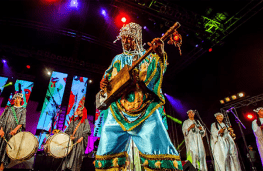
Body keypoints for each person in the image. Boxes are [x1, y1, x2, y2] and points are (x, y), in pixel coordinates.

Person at [95, 22, 182, 170]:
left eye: (129, 38)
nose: (125, 41)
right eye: (123, 38)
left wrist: (159, 53)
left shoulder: (147, 56)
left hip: (144, 108)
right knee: (107, 149)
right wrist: (104, 83)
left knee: (158, 148)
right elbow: (108, 80)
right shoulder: (117, 59)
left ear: (137, 39)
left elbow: (159, 73)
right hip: (118, 110)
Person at [0, 93, 26, 171]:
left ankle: (1, 168)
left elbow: (22, 122)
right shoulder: (8, 109)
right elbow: (2, 119)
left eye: (18, 98)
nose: (17, 99)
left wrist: (15, 130)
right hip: (3, 132)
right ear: (13, 99)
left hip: (13, 134)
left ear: (21, 100)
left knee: (6, 152)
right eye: (15, 98)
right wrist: (1, 130)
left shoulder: (23, 110)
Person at [62, 106, 91, 171]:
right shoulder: (74, 121)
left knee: (77, 157)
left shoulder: (85, 121)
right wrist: (70, 136)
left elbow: (87, 131)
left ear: (82, 111)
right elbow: (68, 130)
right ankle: (66, 168)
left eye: (78, 110)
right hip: (72, 142)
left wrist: (82, 138)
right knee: (68, 155)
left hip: (79, 143)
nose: (77, 111)